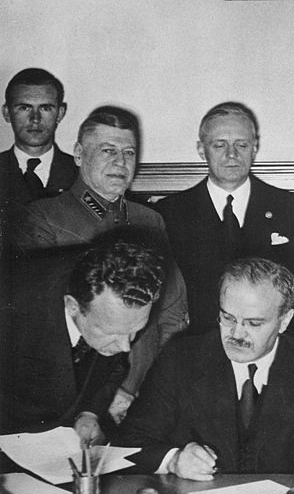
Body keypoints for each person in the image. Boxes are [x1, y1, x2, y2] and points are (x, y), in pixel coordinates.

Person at [118, 258, 294, 494]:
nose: (236, 334)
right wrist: (174, 459)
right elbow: (130, 441)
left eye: (253, 323)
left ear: (284, 321)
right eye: (228, 318)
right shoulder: (180, 358)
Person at [13, 106, 188, 422]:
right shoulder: (45, 217)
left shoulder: (150, 221)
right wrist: (99, 398)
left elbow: (172, 314)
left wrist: (140, 387)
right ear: (79, 154)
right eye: (108, 151)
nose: (121, 162)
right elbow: (43, 322)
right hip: (72, 400)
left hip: (143, 396)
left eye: (129, 153)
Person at [155, 102, 294, 334]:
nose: (232, 154)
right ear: (201, 150)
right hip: (194, 347)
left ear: (254, 148)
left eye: (241, 144)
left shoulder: (291, 209)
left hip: (269, 344)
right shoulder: (169, 213)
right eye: (220, 145)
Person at [0, 234, 164, 444]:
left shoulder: (128, 298)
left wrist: (90, 413)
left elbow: (109, 362)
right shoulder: (13, 309)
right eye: (112, 333)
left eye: (134, 332)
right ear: (72, 306)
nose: (125, 346)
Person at [1, 68, 77, 210]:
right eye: (24, 108)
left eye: (45, 108)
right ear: (7, 113)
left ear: (60, 114)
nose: (35, 119)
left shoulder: (81, 175)